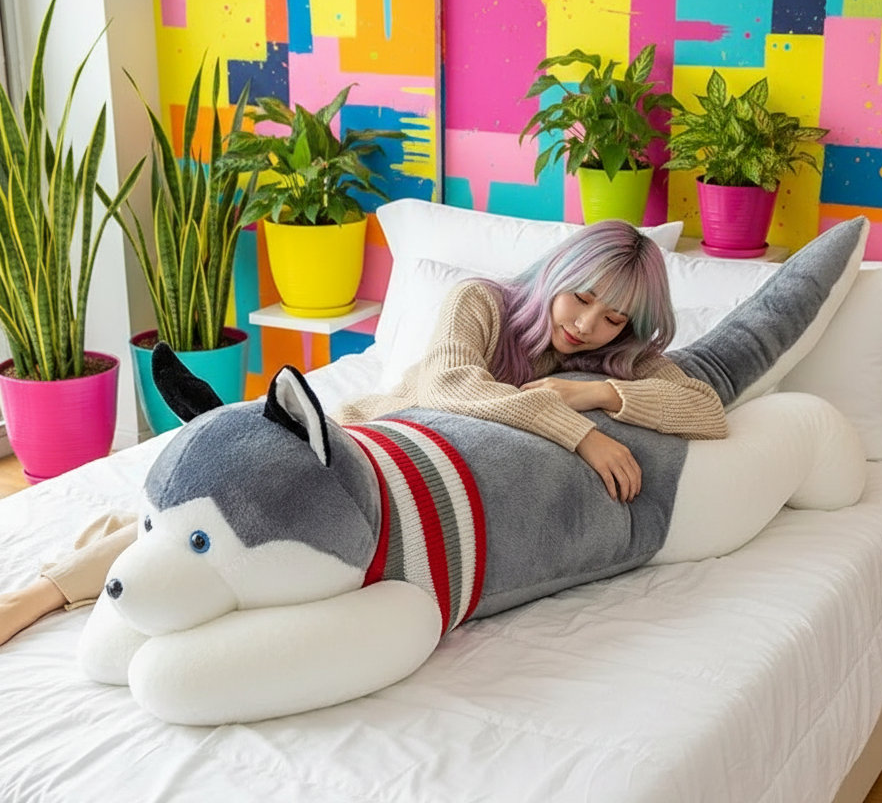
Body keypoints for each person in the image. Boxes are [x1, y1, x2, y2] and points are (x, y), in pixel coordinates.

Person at [0, 219, 726, 646]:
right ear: (558, 273)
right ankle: (37, 597)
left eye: (613, 319)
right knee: (208, 518)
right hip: (362, 438)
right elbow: (451, 387)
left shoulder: (618, 363)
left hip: (423, 493)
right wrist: (579, 430)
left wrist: (597, 388)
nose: (587, 324)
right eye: (583, 296)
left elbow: (705, 410)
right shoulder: (483, 301)